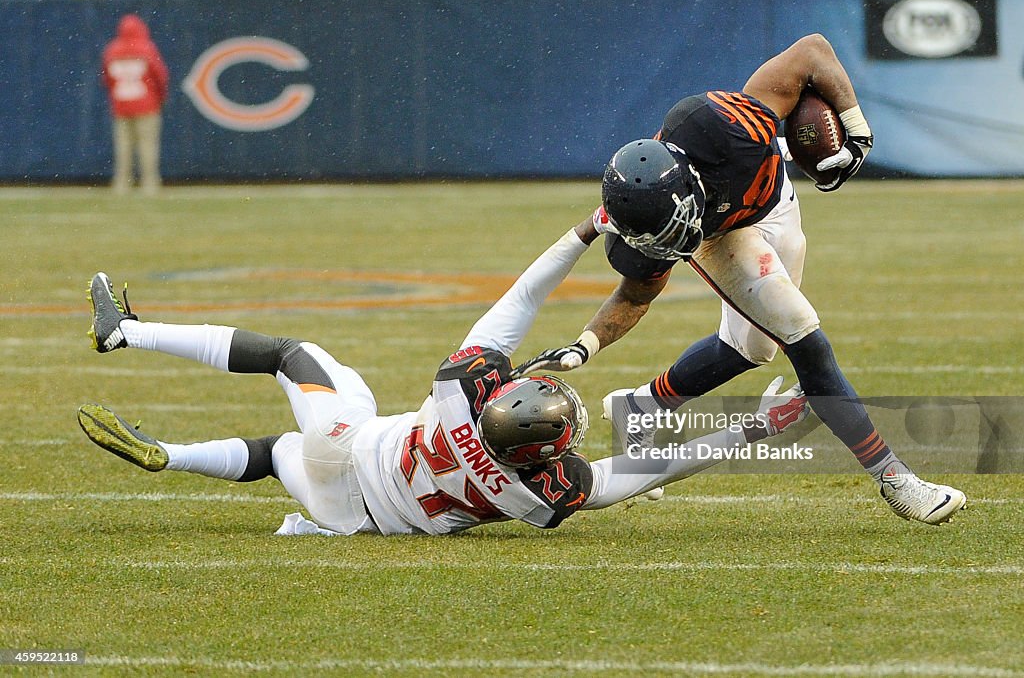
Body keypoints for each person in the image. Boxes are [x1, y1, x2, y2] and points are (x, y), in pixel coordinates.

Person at [77, 224, 808, 537]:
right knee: (275, 455)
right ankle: (170, 453)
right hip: (357, 519)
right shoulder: (538, 497)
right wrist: (754, 428)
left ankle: (129, 332)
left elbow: (522, 297)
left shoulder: (464, 387)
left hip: (350, 451)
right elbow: (649, 469)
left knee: (291, 354)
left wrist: (585, 231)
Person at [515, 34, 967, 526]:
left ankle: (641, 406)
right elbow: (635, 295)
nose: (672, 246)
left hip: (775, 204)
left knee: (752, 348)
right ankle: (895, 478)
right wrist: (585, 346)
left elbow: (812, 50)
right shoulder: (642, 227)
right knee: (803, 337)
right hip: (725, 237)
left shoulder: (726, 128)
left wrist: (855, 131)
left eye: (673, 229)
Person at [101, 14, 169, 197]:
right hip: (146, 103)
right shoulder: (146, 48)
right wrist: (161, 97)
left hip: (121, 103)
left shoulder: (112, 49)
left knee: (123, 146)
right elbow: (160, 76)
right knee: (148, 146)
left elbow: (106, 78)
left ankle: (122, 183)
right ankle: (149, 184)